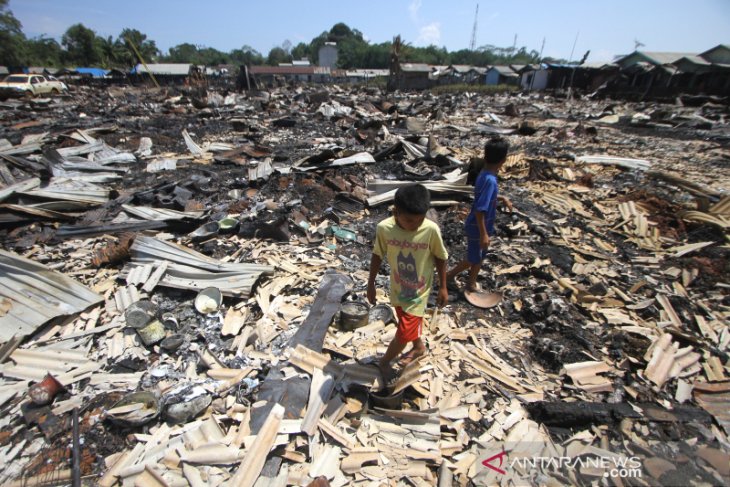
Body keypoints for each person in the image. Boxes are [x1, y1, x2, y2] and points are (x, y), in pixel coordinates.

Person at [367, 184, 448, 377]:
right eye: (411, 221)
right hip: (398, 288)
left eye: (420, 220)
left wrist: (444, 286)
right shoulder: (384, 229)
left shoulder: (430, 230)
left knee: (403, 332)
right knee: (405, 322)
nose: (416, 225)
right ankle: (419, 347)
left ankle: (385, 362)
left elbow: (440, 257)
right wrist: (370, 284)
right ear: (396, 212)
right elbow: (377, 255)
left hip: (419, 293)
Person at [447, 137, 512, 292]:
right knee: (473, 257)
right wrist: (483, 234)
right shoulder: (490, 180)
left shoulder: (485, 173)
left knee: (481, 255)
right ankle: (448, 275)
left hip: (482, 225)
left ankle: (471, 283)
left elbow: (484, 198)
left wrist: (501, 198)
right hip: (478, 226)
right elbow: (480, 209)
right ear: (503, 160)